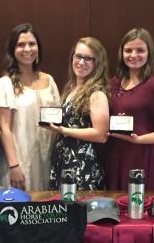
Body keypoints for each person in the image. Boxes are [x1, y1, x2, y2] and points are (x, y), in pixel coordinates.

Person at [0, 23, 60, 190]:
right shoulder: (4, 84)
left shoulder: (49, 80)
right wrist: (14, 166)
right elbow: (4, 129)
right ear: (12, 50)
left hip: (47, 159)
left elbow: (58, 121)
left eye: (32, 43)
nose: (27, 49)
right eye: (21, 44)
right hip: (18, 161)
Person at [105, 28, 154, 190]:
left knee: (140, 212)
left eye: (140, 50)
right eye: (128, 50)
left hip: (143, 158)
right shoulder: (112, 83)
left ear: (149, 53)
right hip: (116, 156)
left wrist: (138, 140)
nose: (133, 55)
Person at [47, 37, 110, 190]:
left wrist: (63, 130)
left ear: (98, 63)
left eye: (88, 59)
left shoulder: (96, 93)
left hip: (82, 166)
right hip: (64, 161)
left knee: (78, 211)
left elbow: (101, 135)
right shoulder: (72, 88)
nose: (81, 62)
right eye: (78, 56)